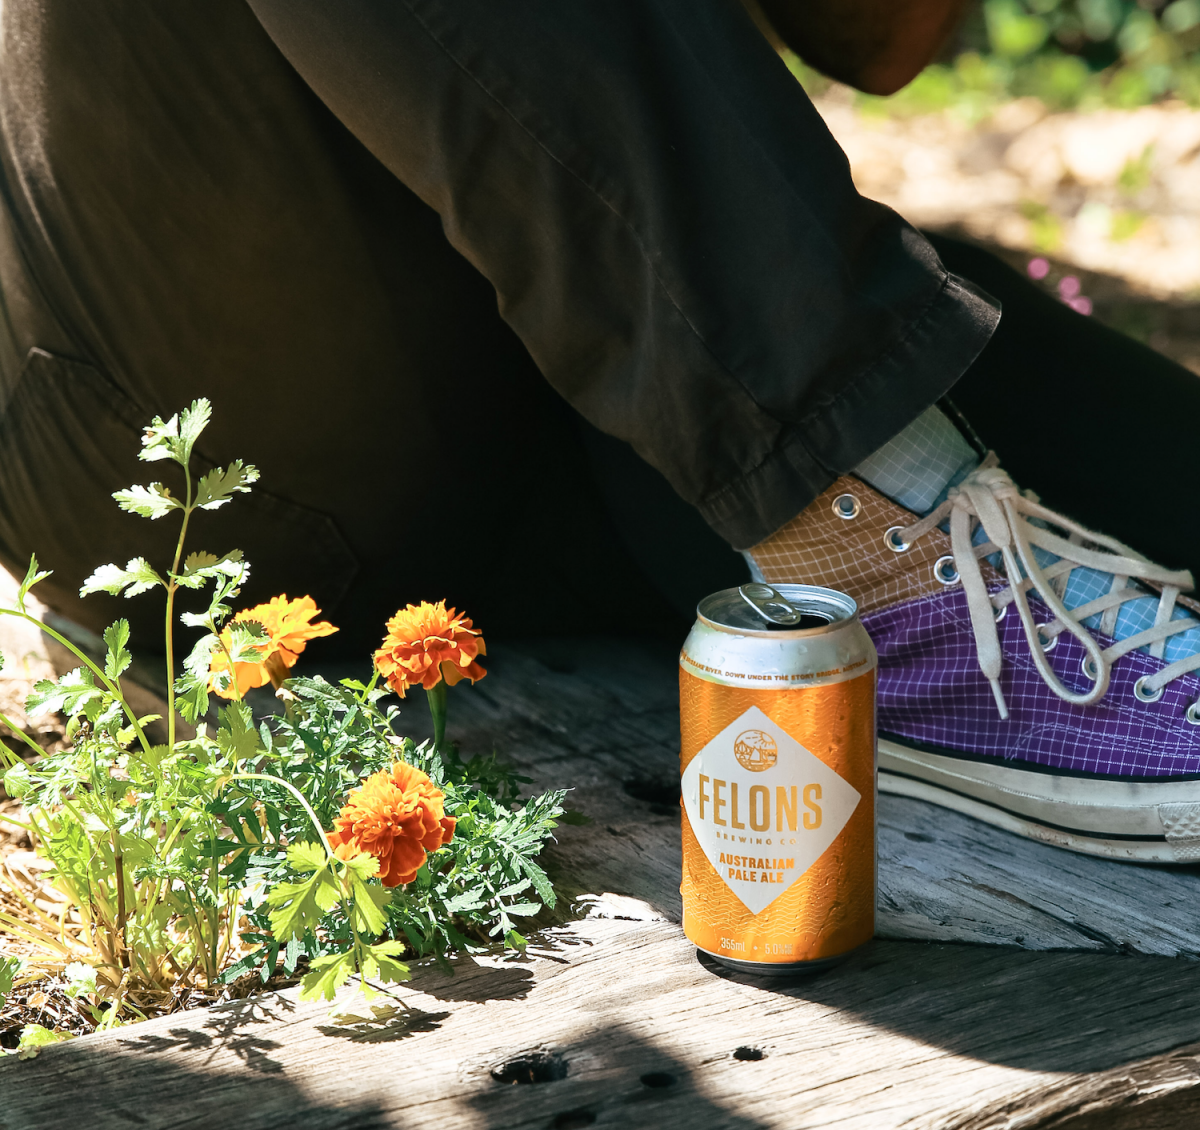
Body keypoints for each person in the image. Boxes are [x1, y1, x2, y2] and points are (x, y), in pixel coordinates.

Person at [1, 0, 1199, 861]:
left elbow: (875, 38)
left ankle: (882, 510)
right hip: (189, 421)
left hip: (623, 340)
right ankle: (878, 548)